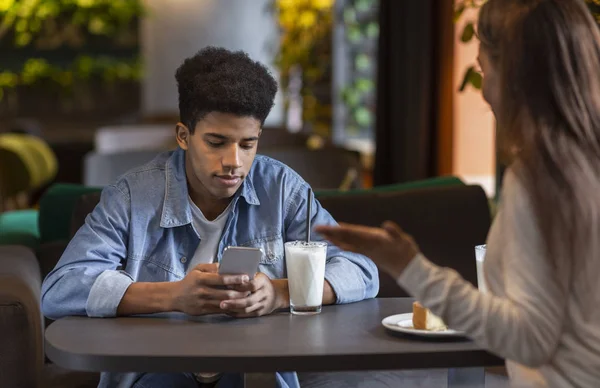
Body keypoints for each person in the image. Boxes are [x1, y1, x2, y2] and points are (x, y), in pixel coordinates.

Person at [41, 46, 379, 388]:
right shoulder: (131, 196)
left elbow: (361, 269)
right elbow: (60, 289)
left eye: (247, 145)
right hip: (156, 371)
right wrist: (173, 296)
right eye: (216, 143)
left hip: (254, 371)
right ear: (183, 136)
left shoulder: (283, 189)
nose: (234, 161)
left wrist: (281, 292)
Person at [316, 0, 600, 386]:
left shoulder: (540, 179)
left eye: (486, 69)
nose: (484, 91)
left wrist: (411, 266)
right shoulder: (584, 163)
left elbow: (529, 340)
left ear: (516, 76)